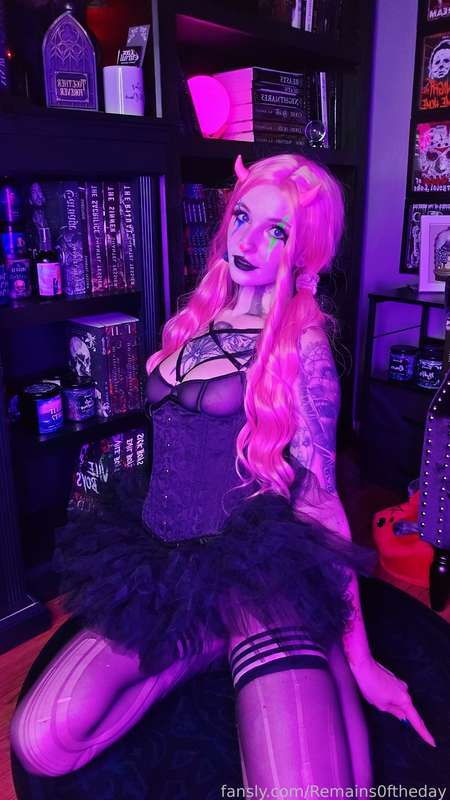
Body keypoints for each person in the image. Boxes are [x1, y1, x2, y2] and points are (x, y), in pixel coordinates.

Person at [10, 153, 436, 790]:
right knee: (42, 742)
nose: (247, 241)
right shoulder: (189, 322)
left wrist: (362, 658)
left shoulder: (302, 346)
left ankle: (290, 646)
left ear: (305, 251)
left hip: (256, 564)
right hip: (162, 555)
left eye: (276, 230)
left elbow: (320, 500)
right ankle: (201, 644)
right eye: (242, 217)